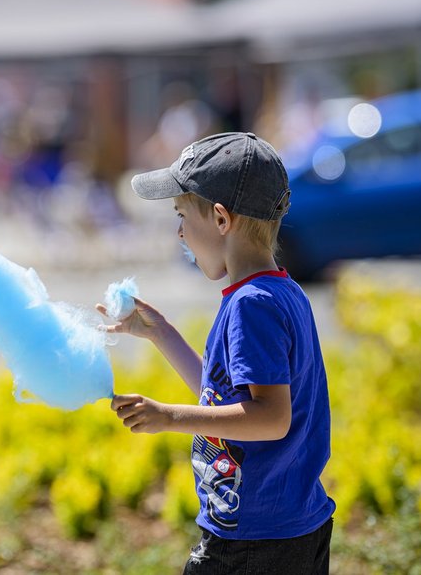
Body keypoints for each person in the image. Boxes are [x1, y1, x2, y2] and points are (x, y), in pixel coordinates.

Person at [96, 132, 335, 574]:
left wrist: (170, 417)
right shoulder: (280, 291)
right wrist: (162, 334)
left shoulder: (251, 305)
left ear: (221, 219)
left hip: (254, 539)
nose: (180, 232)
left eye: (182, 215)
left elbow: (270, 418)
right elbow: (228, 396)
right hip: (288, 528)